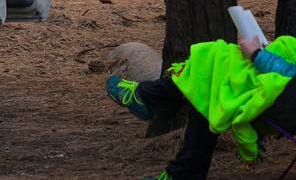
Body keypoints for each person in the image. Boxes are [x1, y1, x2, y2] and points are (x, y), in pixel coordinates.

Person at [105, 32, 296, 178]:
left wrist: (257, 54)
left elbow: (290, 76)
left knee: (215, 73)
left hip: (285, 102)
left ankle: (148, 98)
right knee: (218, 71)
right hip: (285, 96)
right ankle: (150, 99)